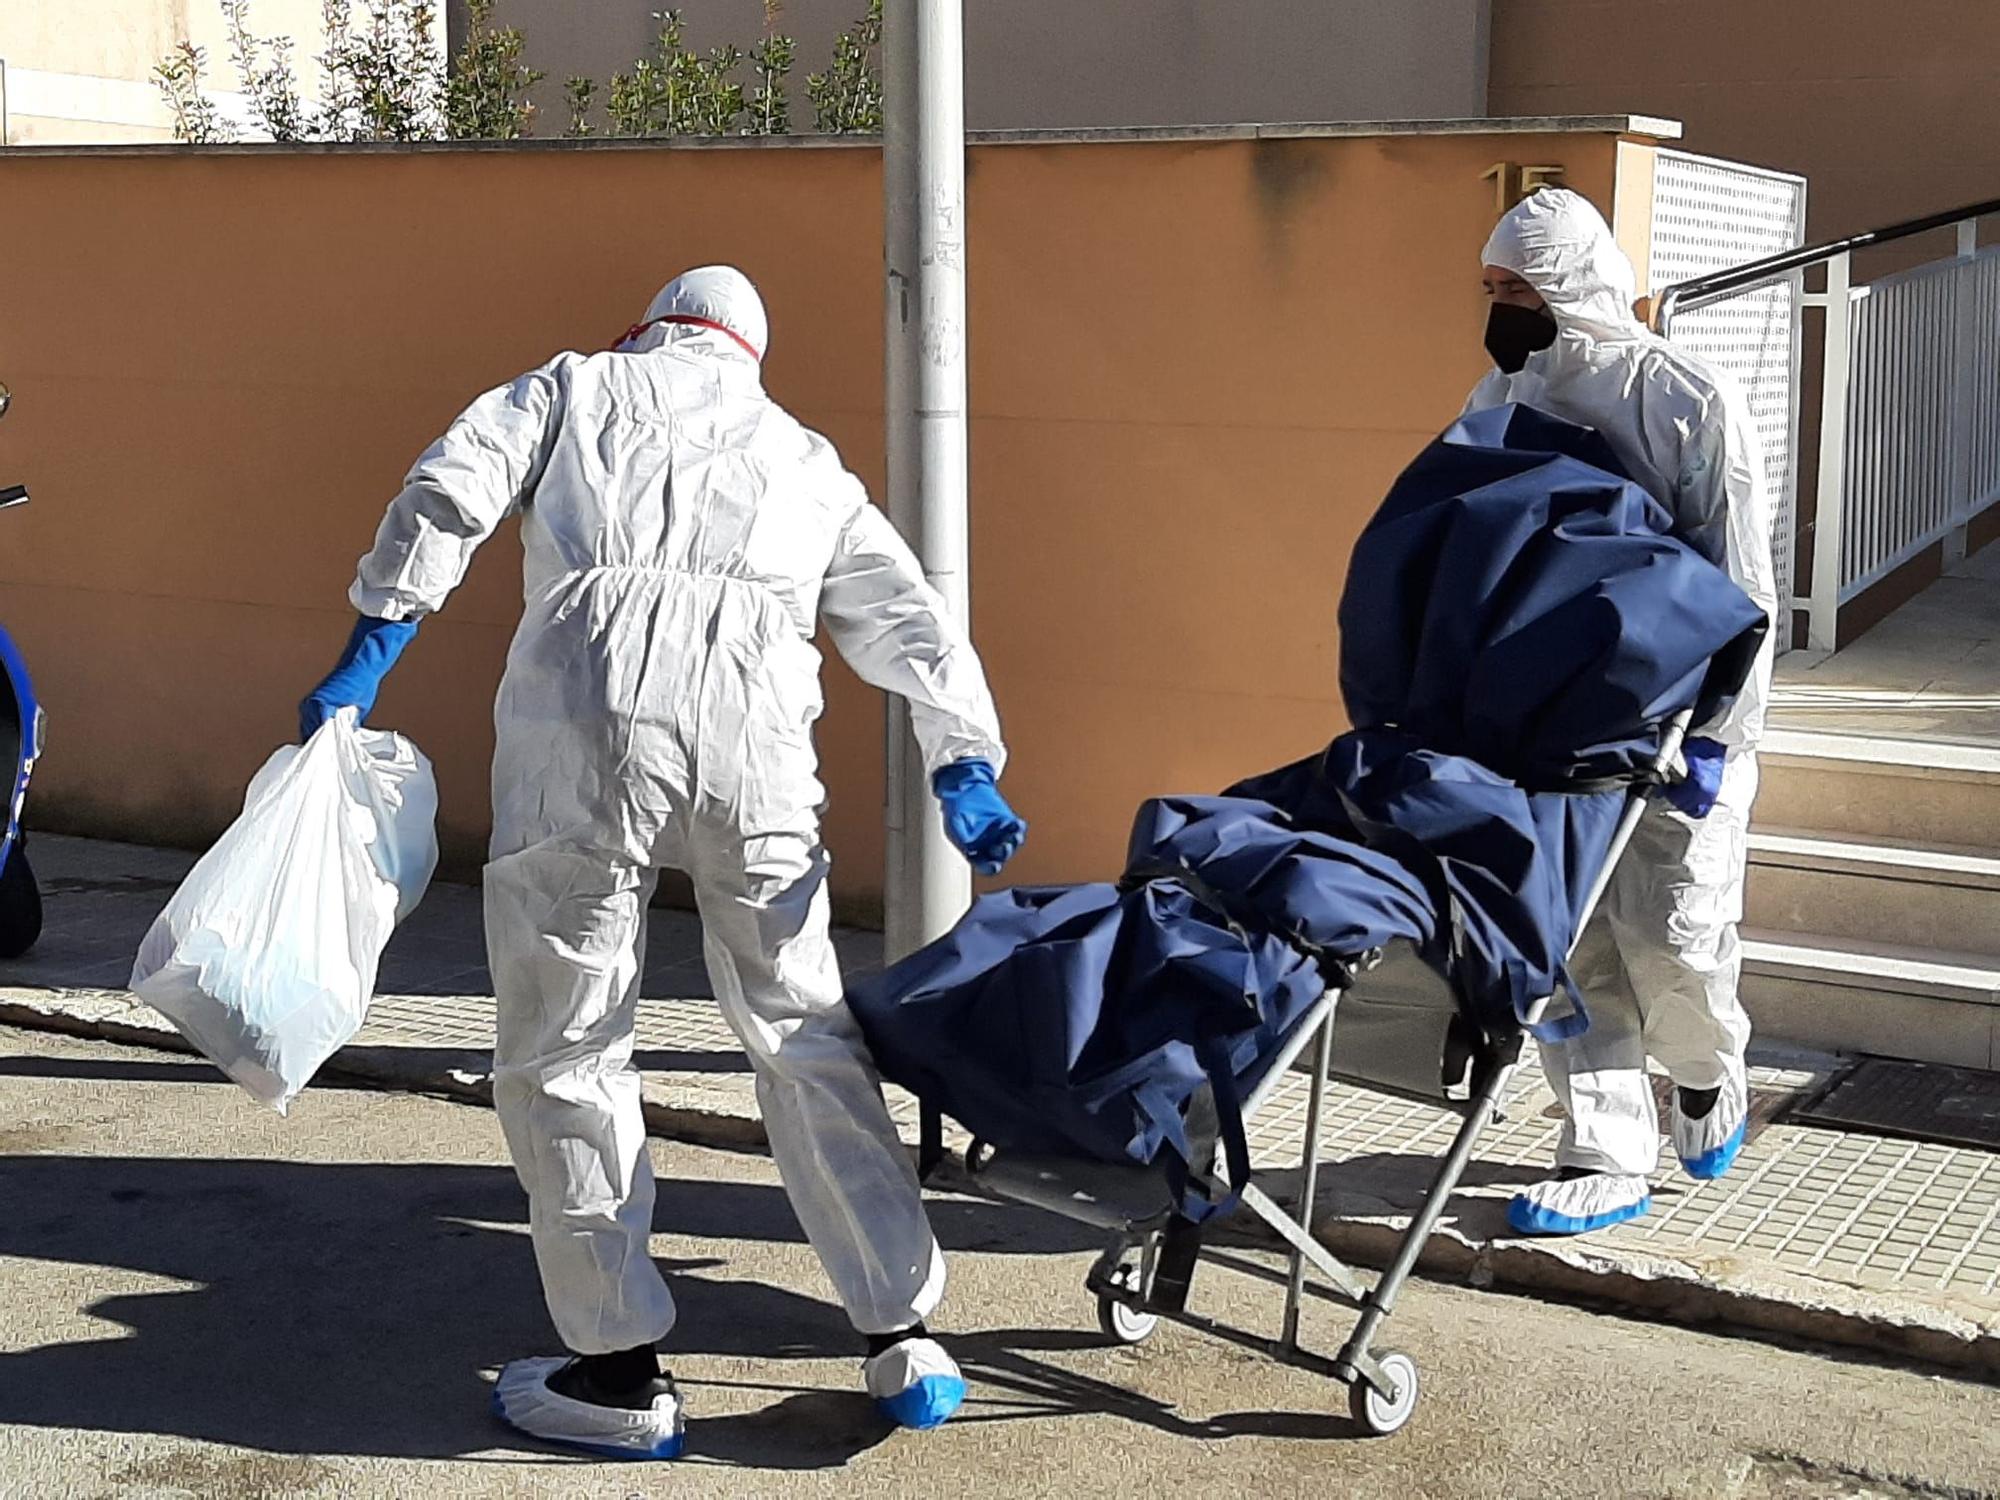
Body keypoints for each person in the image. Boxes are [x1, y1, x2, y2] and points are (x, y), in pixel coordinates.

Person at [299, 266, 1027, 1459]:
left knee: (569, 1038)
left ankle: (616, 1367)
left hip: (581, 738)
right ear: (749, 356)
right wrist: (964, 761)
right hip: (756, 756)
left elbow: (448, 489)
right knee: (803, 1030)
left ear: (644, 330)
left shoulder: (575, 389)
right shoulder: (800, 457)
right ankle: (901, 1332)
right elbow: (910, 618)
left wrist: (370, 649)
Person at [1462, 190, 1777, 1237]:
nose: (1503, 308)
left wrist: (1715, 734)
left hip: (1676, 717)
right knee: (1568, 941)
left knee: (1674, 932)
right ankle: (1600, 1146)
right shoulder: (1493, 399)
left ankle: (1703, 1074)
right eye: (1491, 289)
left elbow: (1741, 584)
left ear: (1574, 286)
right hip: (1552, 724)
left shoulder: (1682, 398)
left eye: (1521, 288)